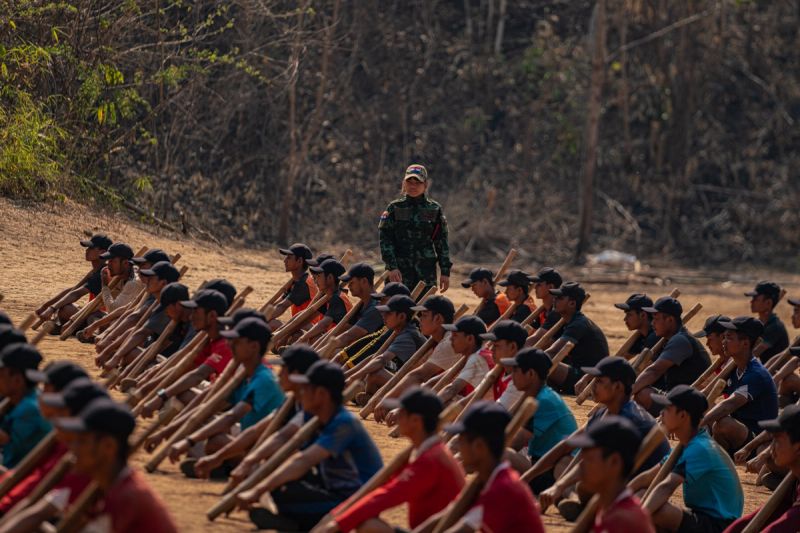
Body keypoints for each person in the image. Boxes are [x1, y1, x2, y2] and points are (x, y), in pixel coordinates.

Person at [236, 361, 383, 531]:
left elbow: (303, 461)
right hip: (331, 485)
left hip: (354, 498)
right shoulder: (313, 416)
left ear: (321, 394)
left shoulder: (344, 423)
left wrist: (257, 490)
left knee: (282, 487)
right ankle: (297, 523)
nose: (301, 393)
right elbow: (286, 443)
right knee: (281, 485)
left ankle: (301, 525)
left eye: (305, 389)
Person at [539, 356, 670, 520]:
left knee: (583, 485)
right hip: (611, 475)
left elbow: (597, 464)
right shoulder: (603, 412)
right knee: (563, 464)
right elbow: (570, 447)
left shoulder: (630, 420)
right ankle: (575, 501)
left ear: (617, 387)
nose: (593, 386)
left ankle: (581, 504)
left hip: (637, 483)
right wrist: (555, 484)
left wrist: (561, 486)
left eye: (600, 381)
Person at [318, 388, 465, 533]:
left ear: (415, 421)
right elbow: (385, 486)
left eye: (401, 413)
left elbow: (386, 496)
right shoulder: (428, 450)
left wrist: (337, 524)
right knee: (367, 523)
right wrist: (337, 516)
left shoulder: (431, 459)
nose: (395, 416)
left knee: (368, 526)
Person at [169, 318, 284, 478]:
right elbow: (211, 405)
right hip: (248, 437)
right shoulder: (245, 373)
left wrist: (188, 441)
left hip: (263, 448)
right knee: (212, 428)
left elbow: (232, 416)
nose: (230, 345)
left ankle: (236, 467)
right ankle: (222, 466)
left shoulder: (263, 379)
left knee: (217, 438)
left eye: (236, 342)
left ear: (254, 347)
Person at [194, 344, 320, 481]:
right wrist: (216, 458)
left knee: (258, 461)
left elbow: (282, 439)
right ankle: (227, 466)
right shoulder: (291, 401)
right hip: (265, 451)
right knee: (217, 440)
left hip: (298, 469)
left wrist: (250, 462)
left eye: (284, 369)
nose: (279, 373)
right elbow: (255, 430)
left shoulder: (309, 408)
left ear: (296, 375)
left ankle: (236, 468)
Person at [53, 398, 179, 533]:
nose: (72, 448)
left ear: (108, 446)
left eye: (82, 441)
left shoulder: (126, 498)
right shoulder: (110, 485)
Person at [417, 402, 545, 533]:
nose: (458, 447)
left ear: (479, 446)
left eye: (461, 440)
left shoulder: (500, 489)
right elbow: (450, 512)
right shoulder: (491, 479)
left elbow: (460, 529)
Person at [630, 385, 743, 533]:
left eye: (667, 409)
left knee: (659, 511)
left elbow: (666, 487)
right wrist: (619, 499)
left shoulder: (700, 448)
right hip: (701, 516)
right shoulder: (687, 445)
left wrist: (636, 519)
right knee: (640, 495)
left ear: (683, 416)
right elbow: (649, 477)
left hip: (720, 525)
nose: (661, 413)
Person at [140, 288, 232, 418]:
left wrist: (161, 395)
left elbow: (198, 375)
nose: (190, 316)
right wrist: (148, 385)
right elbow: (185, 368)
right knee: (177, 384)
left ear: (212, 316)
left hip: (231, 403)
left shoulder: (225, 343)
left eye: (196, 312)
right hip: (214, 390)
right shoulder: (209, 339)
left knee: (179, 391)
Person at [501, 347, 578, 495]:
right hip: (541, 463)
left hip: (553, 469)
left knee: (501, 453)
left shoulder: (543, 401)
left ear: (530, 374)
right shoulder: (535, 395)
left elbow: (515, 442)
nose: (512, 375)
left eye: (516, 371)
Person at [373, 295, 458, 424]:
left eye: (424, 315)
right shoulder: (437, 339)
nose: (420, 319)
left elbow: (419, 375)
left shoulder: (449, 342)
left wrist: (388, 399)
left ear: (438, 319)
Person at [702, 316, 778, 454]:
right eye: (724, 337)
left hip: (759, 439)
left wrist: (697, 424)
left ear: (745, 343)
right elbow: (707, 394)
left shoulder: (756, 373)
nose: (724, 342)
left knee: (723, 423)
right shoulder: (734, 368)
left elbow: (728, 405)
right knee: (708, 408)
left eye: (729, 338)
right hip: (741, 434)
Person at [568, 416, 656, 533]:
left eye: (589, 459)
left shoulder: (622, 521)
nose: (581, 466)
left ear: (614, 462)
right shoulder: (607, 506)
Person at [724, 404, 800, 533]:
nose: (771, 448)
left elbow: (784, 526)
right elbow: (764, 516)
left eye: (778, 441)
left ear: (798, 447)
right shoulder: (794, 480)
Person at [379, 164, 451, 293]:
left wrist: (445, 272)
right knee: (396, 309)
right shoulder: (394, 208)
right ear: (403, 183)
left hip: (425, 274)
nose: (413, 186)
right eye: (409, 182)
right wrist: (392, 267)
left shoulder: (434, 209)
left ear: (425, 185)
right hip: (399, 273)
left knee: (424, 311)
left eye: (417, 183)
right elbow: (385, 240)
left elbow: (441, 242)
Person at [96, 260, 181, 369]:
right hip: (154, 350)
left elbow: (141, 331)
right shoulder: (159, 300)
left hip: (168, 361)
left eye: (151, 278)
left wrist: (114, 355)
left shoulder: (170, 305)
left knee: (128, 351)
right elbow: (137, 329)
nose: (146, 280)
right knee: (125, 348)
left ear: (163, 283)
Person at [633, 296, 711, 412]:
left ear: (670, 320)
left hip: (689, 403)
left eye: (656, 319)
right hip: (678, 395)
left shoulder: (680, 340)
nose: (652, 323)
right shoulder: (673, 338)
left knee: (642, 394)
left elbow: (654, 371)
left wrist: (628, 392)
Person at [350, 295, 426, 400]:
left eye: (389, 313)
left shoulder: (407, 336)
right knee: (373, 366)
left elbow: (382, 360)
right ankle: (374, 397)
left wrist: (353, 377)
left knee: (375, 373)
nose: (383, 316)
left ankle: (377, 399)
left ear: (402, 317)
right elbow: (381, 359)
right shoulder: (401, 331)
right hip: (406, 378)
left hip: (420, 389)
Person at [543, 282, 609, 395]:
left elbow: (553, 351)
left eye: (560, 298)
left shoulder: (578, 324)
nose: (555, 300)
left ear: (572, 303)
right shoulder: (572, 321)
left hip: (586, 378)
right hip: (578, 371)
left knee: (543, 362)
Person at [36, 233, 113, 327]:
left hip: (103, 315)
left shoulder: (103, 272)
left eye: (91, 248)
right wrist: (46, 306)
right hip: (92, 311)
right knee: (65, 308)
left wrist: (51, 309)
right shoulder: (94, 271)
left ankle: (73, 328)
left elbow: (77, 294)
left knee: (67, 310)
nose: (87, 251)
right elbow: (73, 290)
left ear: (102, 252)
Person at [0, 343, 51, 469]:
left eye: (1, 375)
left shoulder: (29, 409)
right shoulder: (31, 397)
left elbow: (12, 457)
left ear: (17, 380)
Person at [325, 263, 385, 353]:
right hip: (358, 351)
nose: (348, 286)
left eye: (352, 283)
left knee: (334, 352)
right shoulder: (361, 304)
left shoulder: (375, 307)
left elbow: (348, 336)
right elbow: (344, 328)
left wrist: (320, 352)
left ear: (364, 281)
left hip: (370, 355)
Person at [437, 315, 494, 404]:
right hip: (484, 406)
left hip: (485, 410)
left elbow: (452, 390)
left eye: (455, 335)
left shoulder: (477, 358)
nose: (451, 338)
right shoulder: (479, 354)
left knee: (448, 403)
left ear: (470, 339)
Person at [295, 259, 353, 346]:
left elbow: (323, 325)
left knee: (312, 338)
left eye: (319, 277)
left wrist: (301, 339)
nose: (315, 281)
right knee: (300, 333)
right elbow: (307, 317)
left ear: (329, 278)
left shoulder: (337, 298)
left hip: (340, 343)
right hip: (330, 338)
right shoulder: (328, 296)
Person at [479, 320, 528, 408]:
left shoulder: (520, 379)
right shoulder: (500, 370)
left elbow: (497, 413)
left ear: (512, 347)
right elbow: (474, 396)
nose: (491, 350)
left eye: (496, 346)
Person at [267, 243, 317, 329]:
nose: (284, 261)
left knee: (270, 324)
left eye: (289, 258)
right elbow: (278, 303)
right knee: (269, 322)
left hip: (311, 330)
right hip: (298, 325)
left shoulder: (304, 283)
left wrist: (261, 319)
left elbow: (282, 306)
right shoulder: (296, 281)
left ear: (299, 261)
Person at [745, 281, 789, 365]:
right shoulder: (760, 324)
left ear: (768, 303)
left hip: (775, 373)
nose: (751, 302)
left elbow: (754, 353)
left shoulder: (774, 327)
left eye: (755, 299)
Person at [97, 242, 142, 313]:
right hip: (121, 318)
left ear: (125, 263)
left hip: (130, 321)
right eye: (109, 261)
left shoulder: (134, 283)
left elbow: (112, 309)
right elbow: (102, 303)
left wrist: (105, 286)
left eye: (112, 261)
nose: (108, 264)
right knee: (92, 316)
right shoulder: (122, 275)